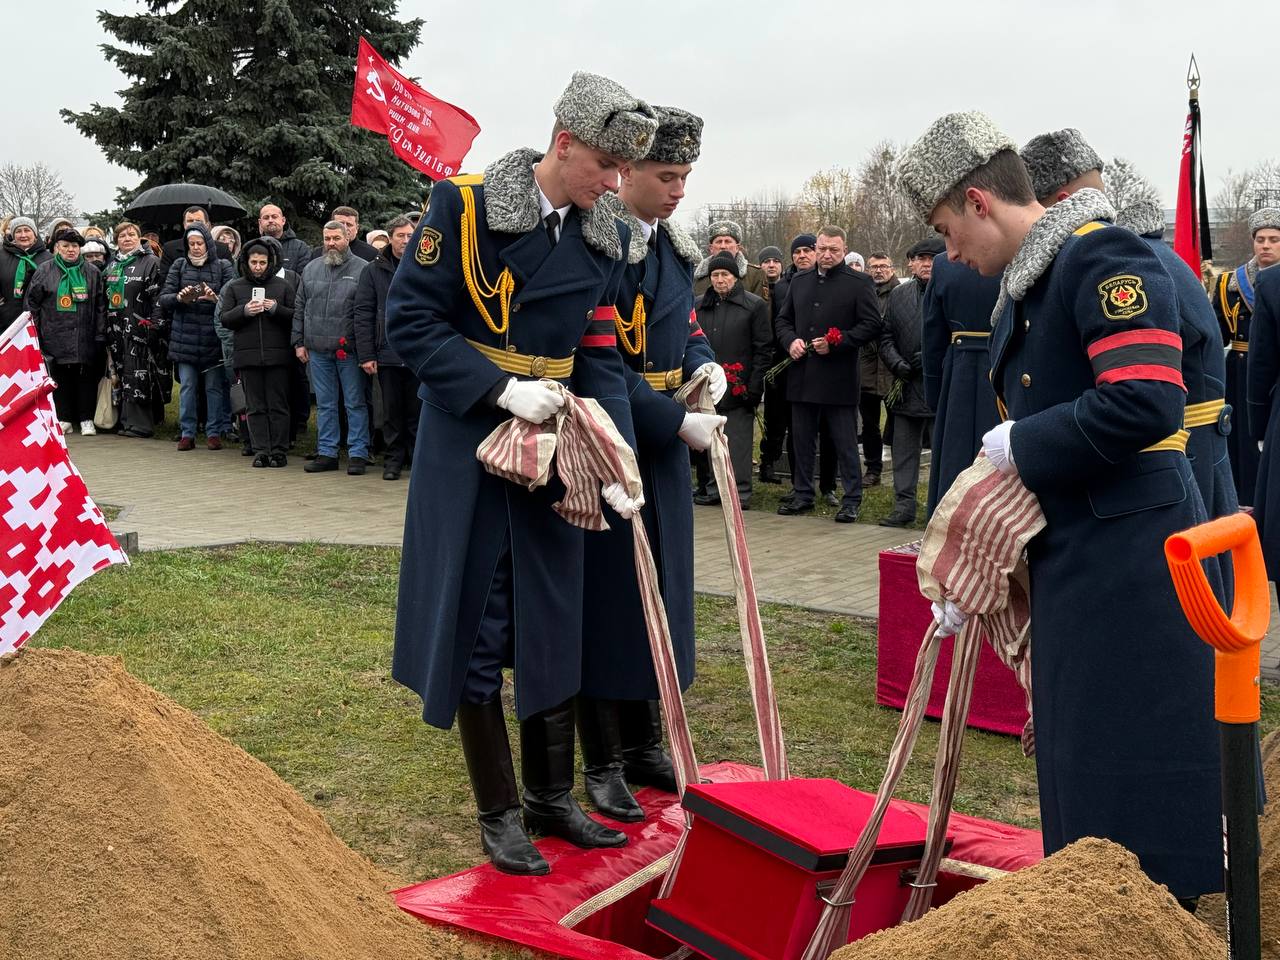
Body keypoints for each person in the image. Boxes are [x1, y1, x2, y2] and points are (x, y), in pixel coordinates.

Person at [899, 110, 1220, 904]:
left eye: (946, 229)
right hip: (1080, 552)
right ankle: (1100, 907)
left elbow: (1146, 399)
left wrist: (1025, 440)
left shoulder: (1101, 255)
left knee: (1133, 759)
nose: (950, 253)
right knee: (1082, 755)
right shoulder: (1031, 280)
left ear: (979, 202)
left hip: (1133, 559)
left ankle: (1150, 918)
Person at [384, 71, 652, 876]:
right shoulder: (463, 209)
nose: (615, 184)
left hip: (557, 445)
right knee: (478, 623)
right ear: (563, 145)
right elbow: (410, 320)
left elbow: (596, 353)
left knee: (552, 620)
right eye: (604, 165)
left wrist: (612, 452)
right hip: (471, 442)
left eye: (622, 170)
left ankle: (550, 797)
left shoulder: (602, 235)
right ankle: (498, 810)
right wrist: (499, 388)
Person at [581, 106, 721, 819]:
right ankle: (602, 758)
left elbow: (684, 326)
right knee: (609, 602)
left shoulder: (669, 247)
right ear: (626, 169)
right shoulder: (594, 244)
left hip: (663, 450)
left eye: (685, 176)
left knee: (658, 595)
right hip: (613, 443)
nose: (678, 191)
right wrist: (673, 421)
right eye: (667, 175)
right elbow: (597, 361)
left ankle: (642, 742)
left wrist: (704, 364)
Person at [1021, 128, 1237, 553]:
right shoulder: (1148, 254)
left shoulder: (1117, 260)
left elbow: (1141, 397)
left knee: (1193, 587)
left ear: (1060, 203)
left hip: (1176, 463)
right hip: (1195, 454)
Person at [774, 226, 882, 522]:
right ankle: (803, 493)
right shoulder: (800, 281)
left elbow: (872, 324)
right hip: (803, 375)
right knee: (802, 440)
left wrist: (839, 342)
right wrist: (790, 341)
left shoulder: (859, 282)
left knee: (844, 442)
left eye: (833, 250)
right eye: (821, 248)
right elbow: (783, 321)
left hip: (838, 376)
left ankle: (851, 498)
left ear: (844, 250)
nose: (826, 254)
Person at [919, 251, 1001, 517]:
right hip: (1004, 369)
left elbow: (932, 334)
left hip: (959, 374)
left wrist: (934, 394)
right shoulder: (1013, 255)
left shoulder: (944, 264)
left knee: (955, 461)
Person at [293, 221, 370, 474]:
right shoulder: (311, 268)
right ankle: (327, 452)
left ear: (347, 238)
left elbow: (366, 312)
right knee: (325, 404)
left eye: (336, 238)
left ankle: (358, 453)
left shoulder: (362, 269)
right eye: (327, 238)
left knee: (354, 403)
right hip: (317, 349)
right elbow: (300, 307)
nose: (331, 243)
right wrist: (299, 342)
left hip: (349, 350)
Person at [1214, 207, 1280, 506]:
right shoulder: (1228, 283)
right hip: (1240, 373)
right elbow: (1217, 335)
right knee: (1241, 442)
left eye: (1274, 240)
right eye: (1260, 239)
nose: (1265, 246)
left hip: (1272, 374)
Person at [695, 251, 771, 507]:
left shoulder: (753, 305)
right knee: (708, 438)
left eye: (725, 274)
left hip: (740, 385)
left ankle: (739, 491)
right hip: (707, 384)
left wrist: (754, 385)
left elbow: (763, 348)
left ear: (735, 277)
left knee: (737, 441)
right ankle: (712, 488)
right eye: (715, 275)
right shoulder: (699, 305)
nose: (719, 280)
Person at [877, 236, 943, 526]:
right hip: (904, 386)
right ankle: (904, 506)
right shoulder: (898, 295)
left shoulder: (951, 291)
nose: (926, 264)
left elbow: (960, 336)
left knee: (942, 453)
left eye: (932, 259)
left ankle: (940, 508)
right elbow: (885, 336)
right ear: (911, 264)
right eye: (920, 259)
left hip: (939, 387)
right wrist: (897, 363)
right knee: (903, 451)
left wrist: (930, 358)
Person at [219, 236, 296, 467]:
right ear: (246, 262)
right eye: (254, 262)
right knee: (255, 406)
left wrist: (276, 309)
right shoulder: (235, 287)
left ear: (270, 262)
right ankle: (261, 450)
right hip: (248, 357)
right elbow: (225, 318)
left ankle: (279, 451)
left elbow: (295, 316)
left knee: (278, 405)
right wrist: (244, 311)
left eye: (263, 262)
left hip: (278, 357)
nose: (258, 267)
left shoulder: (283, 286)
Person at [158, 222, 235, 450]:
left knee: (214, 388)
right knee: (188, 387)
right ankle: (187, 433)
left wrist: (215, 299)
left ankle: (214, 432)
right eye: (191, 244)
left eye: (199, 243)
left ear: (208, 244)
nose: (196, 247)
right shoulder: (179, 265)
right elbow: (164, 298)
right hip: (185, 338)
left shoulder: (223, 266)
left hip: (213, 338)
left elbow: (232, 299)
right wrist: (179, 298)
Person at [354, 215, 420, 480]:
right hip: (387, 352)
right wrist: (367, 354)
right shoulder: (373, 270)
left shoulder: (425, 265)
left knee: (417, 411)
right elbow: (363, 312)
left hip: (418, 352)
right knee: (391, 412)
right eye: (400, 236)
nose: (405, 240)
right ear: (390, 238)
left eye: (410, 235)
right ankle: (393, 460)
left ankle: (416, 460)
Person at [23, 229, 105, 434]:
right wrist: (35, 333)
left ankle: (86, 418)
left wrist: (100, 333)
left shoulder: (92, 272)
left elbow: (101, 306)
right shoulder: (45, 270)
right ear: (57, 248)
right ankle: (64, 417)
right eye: (66, 246)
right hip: (54, 333)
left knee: (85, 377)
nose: (71, 250)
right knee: (60, 377)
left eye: (75, 246)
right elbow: (32, 304)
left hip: (85, 334)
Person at [104, 222, 165, 438]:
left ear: (139, 238)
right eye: (122, 236)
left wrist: (155, 325)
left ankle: (142, 425)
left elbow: (158, 297)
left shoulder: (150, 262)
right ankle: (125, 421)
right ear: (116, 240)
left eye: (131, 234)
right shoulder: (112, 265)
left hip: (141, 327)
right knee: (122, 374)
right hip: (115, 329)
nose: (127, 238)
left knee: (139, 374)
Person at [863, 252, 900, 487]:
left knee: (898, 423)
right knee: (869, 424)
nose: (879, 270)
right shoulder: (863, 291)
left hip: (893, 367)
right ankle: (872, 468)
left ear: (892, 268)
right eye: (874, 266)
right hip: (866, 367)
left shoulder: (901, 292)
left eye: (883, 266)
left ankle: (901, 471)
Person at [756, 244, 790, 484]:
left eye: (775, 261)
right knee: (769, 415)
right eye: (766, 261)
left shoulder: (788, 287)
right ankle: (766, 462)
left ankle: (773, 461)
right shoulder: (755, 289)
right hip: (761, 355)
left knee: (779, 413)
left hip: (782, 357)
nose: (771, 265)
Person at [692, 220, 770, 301]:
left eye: (728, 241)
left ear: (737, 248)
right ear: (711, 248)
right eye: (719, 242)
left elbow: (762, 306)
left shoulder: (755, 275)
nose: (723, 246)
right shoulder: (695, 275)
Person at [0, 216, 52, 326]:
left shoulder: (49, 259)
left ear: (35, 233)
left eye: (27, 230)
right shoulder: (1, 256)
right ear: (13, 235)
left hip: (39, 321)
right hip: (7, 321)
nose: (23, 235)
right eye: (18, 231)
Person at [160, 206, 233, 271]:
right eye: (190, 221)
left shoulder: (222, 249)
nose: (194, 223)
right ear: (184, 224)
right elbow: (165, 279)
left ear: (207, 225)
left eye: (198, 221)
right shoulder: (170, 249)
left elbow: (230, 278)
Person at [257, 203, 314, 273]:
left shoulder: (300, 247)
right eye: (266, 218)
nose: (270, 220)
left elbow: (305, 276)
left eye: (274, 217)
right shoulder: (253, 247)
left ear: (283, 220)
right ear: (260, 222)